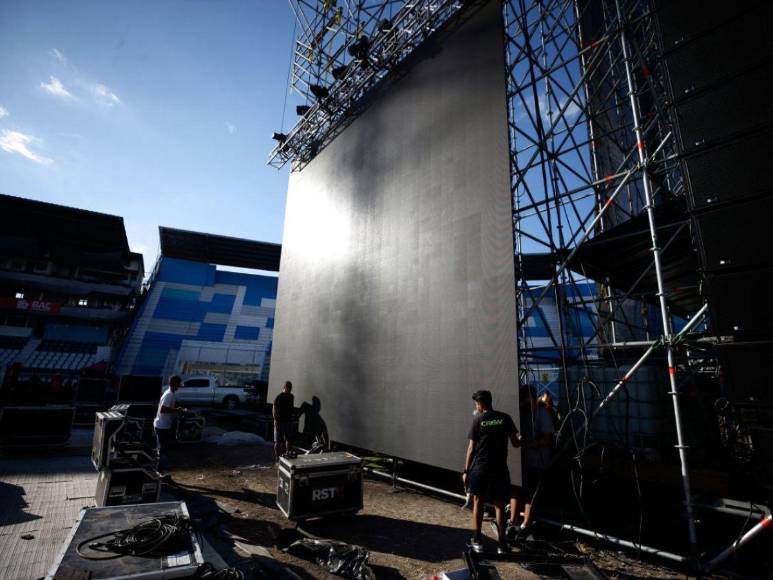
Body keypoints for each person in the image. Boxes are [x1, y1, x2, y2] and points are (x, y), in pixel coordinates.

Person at [462, 390, 520, 554]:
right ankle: (502, 544)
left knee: (478, 502)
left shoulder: (478, 419)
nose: (476, 406)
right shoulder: (505, 418)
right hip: (500, 469)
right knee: (500, 505)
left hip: (480, 468)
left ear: (480, 404)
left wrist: (466, 470)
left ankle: (478, 540)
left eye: (476, 403)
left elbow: (471, 448)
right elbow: (516, 443)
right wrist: (523, 439)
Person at [507, 385, 555, 540]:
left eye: (525, 399)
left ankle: (525, 524)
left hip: (537, 460)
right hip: (524, 459)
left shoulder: (542, 414)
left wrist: (529, 444)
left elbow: (547, 438)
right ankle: (513, 522)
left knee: (530, 494)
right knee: (517, 490)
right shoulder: (525, 413)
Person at [154, 375, 184, 474]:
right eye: (178, 384)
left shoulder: (169, 393)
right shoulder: (169, 394)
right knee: (162, 448)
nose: (179, 386)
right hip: (162, 425)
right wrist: (177, 410)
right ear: (174, 384)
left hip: (162, 424)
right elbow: (163, 409)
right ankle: (159, 470)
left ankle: (160, 469)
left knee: (162, 448)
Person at [273, 381, 295, 461]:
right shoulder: (279, 396)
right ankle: (277, 458)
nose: (289, 389)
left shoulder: (291, 396)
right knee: (278, 441)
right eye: (288, 387)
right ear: (284, 387)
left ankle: (288, 454)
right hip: (280, 421)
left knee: (289, 439)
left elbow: (291, 408)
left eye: (290, 387)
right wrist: (275, 420)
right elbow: (274, 408)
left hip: (288, 421)